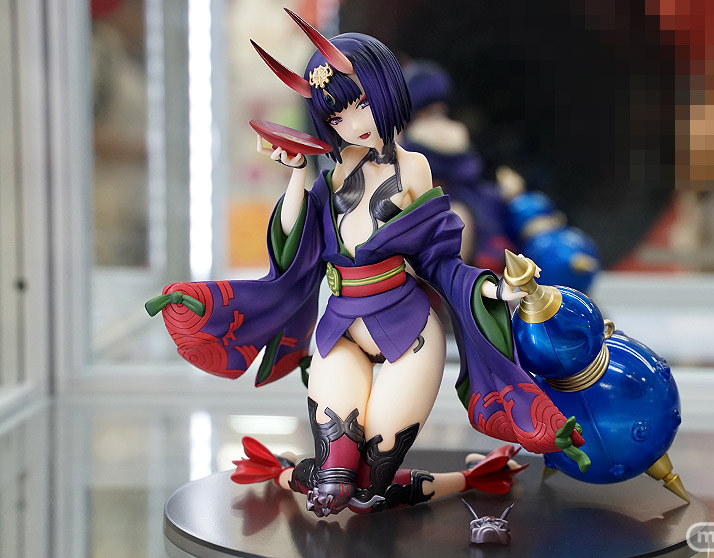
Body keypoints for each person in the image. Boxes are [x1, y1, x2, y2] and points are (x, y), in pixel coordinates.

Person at [147, 9, 586, 517]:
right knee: (335, 478)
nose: (352, 124)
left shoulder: (413, 167)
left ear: (387, 91)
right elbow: (293, 244)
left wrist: (488, 290)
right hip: (340, 329)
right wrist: (296, 173)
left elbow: (438, 256)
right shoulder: (331, 177)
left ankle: (465, 479)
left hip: (407, 331)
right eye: (336, 117)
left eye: (360, 105)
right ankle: (304, 473)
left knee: (368, 490)